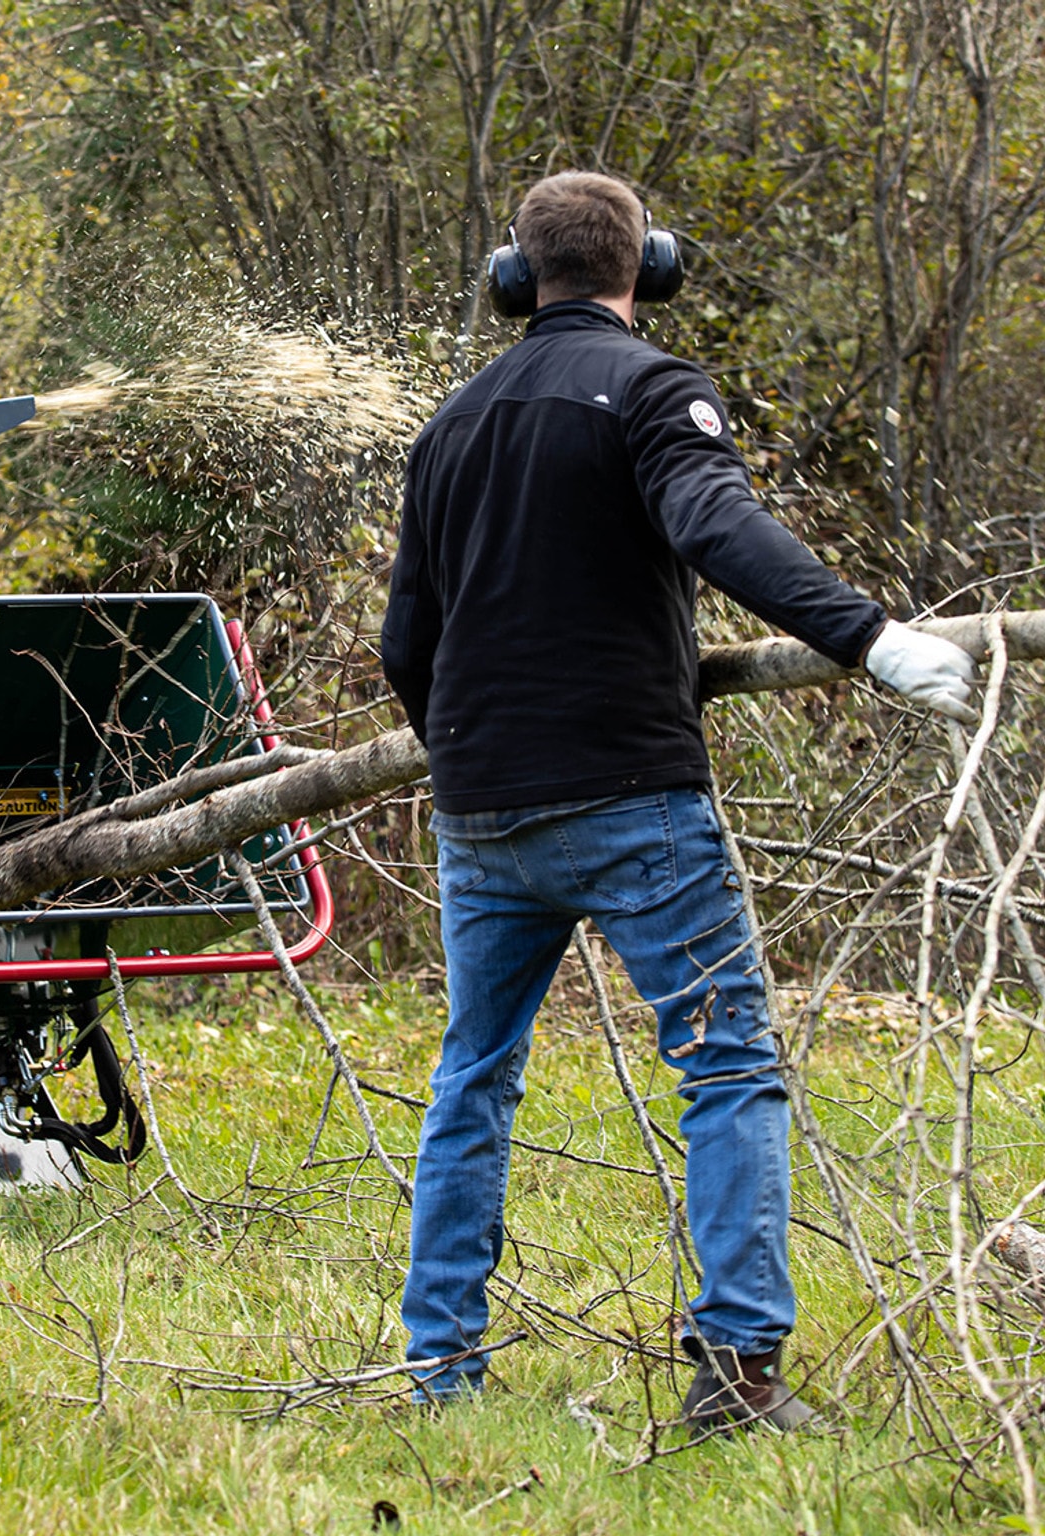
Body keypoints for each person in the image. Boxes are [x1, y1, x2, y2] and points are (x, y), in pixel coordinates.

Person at [377, 171, 977, 1433]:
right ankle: (740, 1373)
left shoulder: (451, 422)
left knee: (472, 1078)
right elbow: (716, 522)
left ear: (514, 277)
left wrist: (471, 748)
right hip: (628, 795)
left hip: (480, 811)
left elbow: (406, 644)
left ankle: (442, 1375)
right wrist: (871, 641)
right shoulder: (652, 389)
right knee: (729, 1068)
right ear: (647, 267)